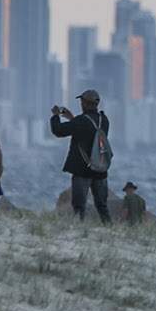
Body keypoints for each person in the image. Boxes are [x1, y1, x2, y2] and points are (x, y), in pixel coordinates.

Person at [50, 89, 112, 222]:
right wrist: (72, 118)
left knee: (79, 207)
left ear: (84, 103)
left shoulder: (80, 121)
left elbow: (58, 131)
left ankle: (79, 230)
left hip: (82, 170)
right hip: (100, 168)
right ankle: (110, 229)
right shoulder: (104, 120)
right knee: (102, 206)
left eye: (82, 101)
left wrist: (56, 116)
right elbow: (89, 131)